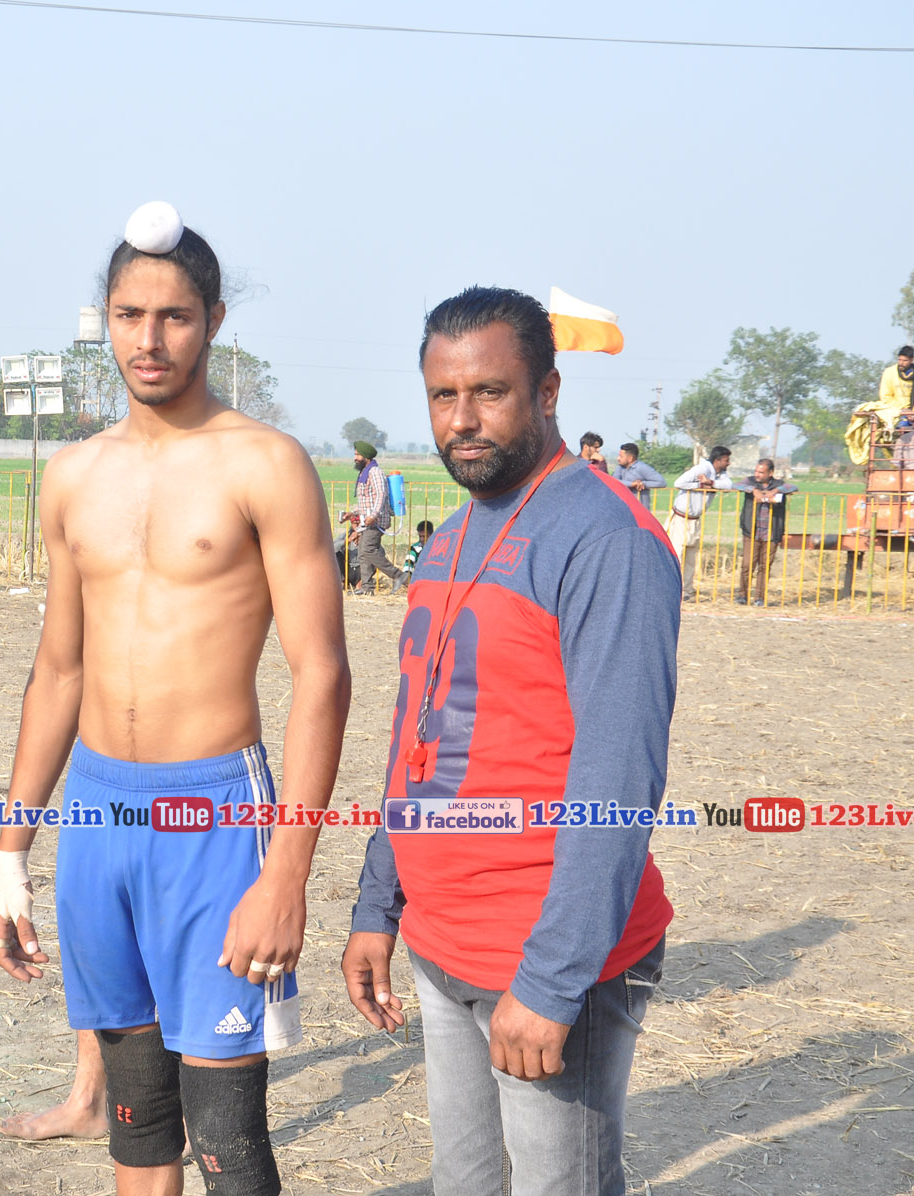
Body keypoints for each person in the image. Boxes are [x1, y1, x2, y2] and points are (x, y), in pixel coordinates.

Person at [0, 202, 351, 1196]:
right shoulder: (73, 474)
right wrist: (11, 850)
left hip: (215, 816)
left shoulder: (265, 463)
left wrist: (287, 872)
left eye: (174, 316)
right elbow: (58, 669)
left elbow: (322, 673)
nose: (148, 339)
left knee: (226, 1133)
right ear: (104, 319)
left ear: (214, 320)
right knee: (137, 1116)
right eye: (129, 315)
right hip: (98, 812)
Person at [342, 286, 676, 1196]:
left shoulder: (606, 539)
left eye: (490, 392)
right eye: (443, 396)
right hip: (441, 939)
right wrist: (378, 904)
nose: (463, 420)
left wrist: (554, 980)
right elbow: (418, 735)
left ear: (549, 392)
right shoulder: (451, 537)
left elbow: (618, 778)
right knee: (464, 1183)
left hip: (541, 953)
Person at [665, 446, 734, 601]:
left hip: (695, 519)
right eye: (726, 460)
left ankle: (686, 590)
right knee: (677, 555)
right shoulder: (701, 468)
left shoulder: (720, 474)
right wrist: (700, 486)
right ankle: (671, 589)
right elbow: (679, 482)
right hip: (681, 518)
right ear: (717, 461)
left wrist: (711, 482)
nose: (728, 463)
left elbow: (729, 485)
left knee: (690, 558)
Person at [732, 457, 798, 607]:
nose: (757, 474)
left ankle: (759, 597)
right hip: (752, 531)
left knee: (764, 566)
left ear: (770, 473)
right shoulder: (750, 481)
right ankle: (742, 595)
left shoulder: (779, 484)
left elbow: (793, 487)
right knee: (747, 565)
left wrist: (775, 491)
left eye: (761, 472)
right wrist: (754, 490)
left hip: (771, 532)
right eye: (756, 471)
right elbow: (736, 485)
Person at [340, 440, 402, 594]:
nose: (355, 458)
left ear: (366, 456)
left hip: (376, 521)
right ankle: (367, 588)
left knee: (368, 550)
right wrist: (352, 513)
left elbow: (381, 495)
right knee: (363, 552)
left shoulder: (375, 472)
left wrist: (373, 516)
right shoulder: (364, 473)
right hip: (366, 520)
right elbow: (365, 501)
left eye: (358, 455)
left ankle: (398, 576)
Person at [880, 345, 914, 427]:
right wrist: (903, 409)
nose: (901, 363)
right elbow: (885, 397)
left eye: (905, 360)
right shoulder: (889, 372)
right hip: (894, 411)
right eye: (899, 360)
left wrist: (913, 413)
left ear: (912, 360)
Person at [610, 442, 666, 509]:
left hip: (640, 508)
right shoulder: (619, 467)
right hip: (623, 507)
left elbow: (661, 482)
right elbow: (614, 481)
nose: (618, 458)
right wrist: (632, 484)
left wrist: (642, 484)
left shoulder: (642, 467)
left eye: (621, 456)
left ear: (630, 458)